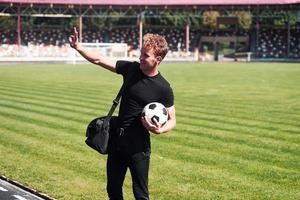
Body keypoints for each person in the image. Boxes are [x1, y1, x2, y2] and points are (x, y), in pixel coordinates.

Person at [69, 27, 176, 200]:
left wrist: (159, 130)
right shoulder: (131, 69)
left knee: (141, 195)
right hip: (117, 142)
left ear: (158, 59)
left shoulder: (163, 88)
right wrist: (78, 47)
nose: (140, 58)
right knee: (113, 190)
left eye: (145, 56)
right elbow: (99, 60)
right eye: (140, 53)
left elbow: (172, 120)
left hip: (138, 147)